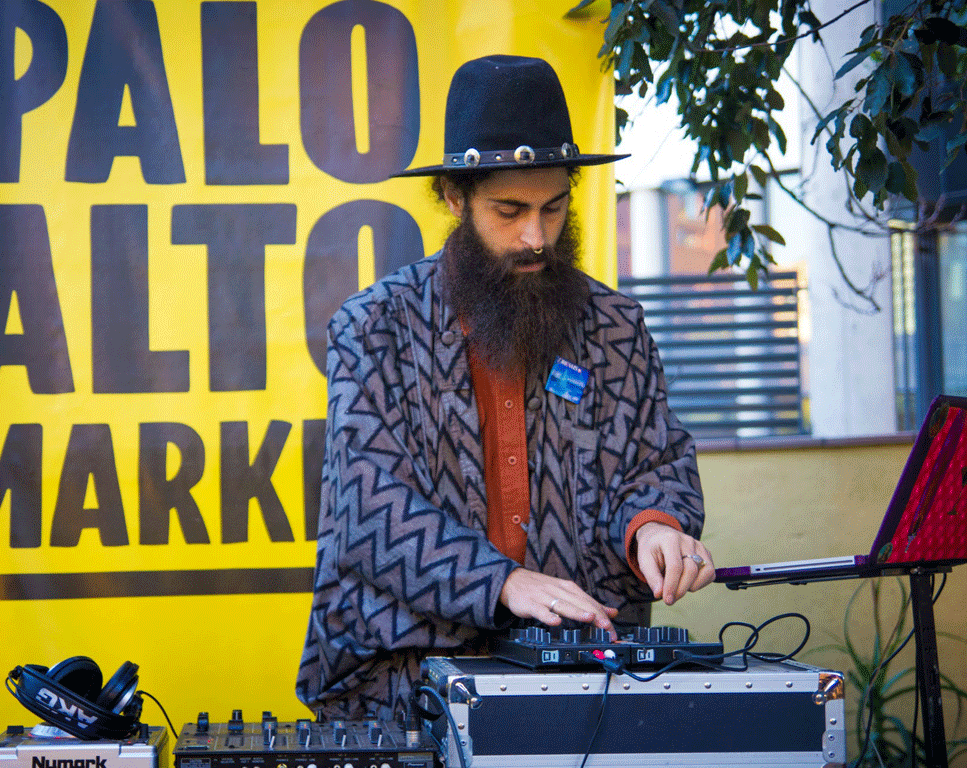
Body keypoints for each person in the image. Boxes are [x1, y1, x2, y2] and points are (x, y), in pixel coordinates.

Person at [296, 55, 714, 720]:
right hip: (402, 679)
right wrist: (502, 583)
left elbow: (655, 462)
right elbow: (368, 511)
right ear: (454, 198)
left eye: (554, 208)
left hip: (581, 670)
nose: (535, 236)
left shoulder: (614, 325)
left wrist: (655, 528)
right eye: (509, 209)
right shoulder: (374, 326)